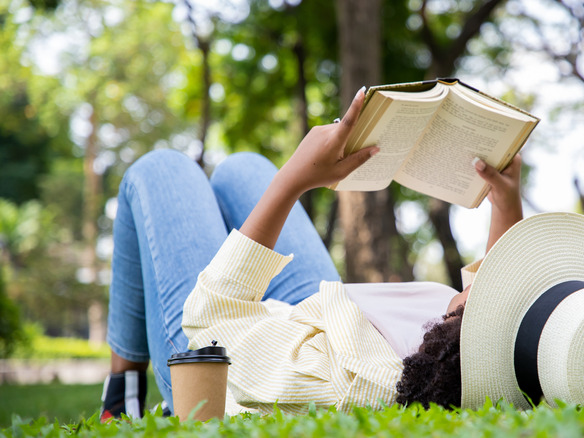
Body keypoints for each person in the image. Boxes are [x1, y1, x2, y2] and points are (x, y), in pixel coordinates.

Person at [99, 86, 525, 420]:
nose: (508, 288)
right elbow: (488, 289)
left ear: (472, 329)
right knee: (244, 167)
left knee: (162, 170)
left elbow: (211, 320)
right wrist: (506, 204)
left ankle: (122, 394)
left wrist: (294, 182)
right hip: (329, 321)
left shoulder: (349, 385)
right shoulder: (476, 349)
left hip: (223, 367)